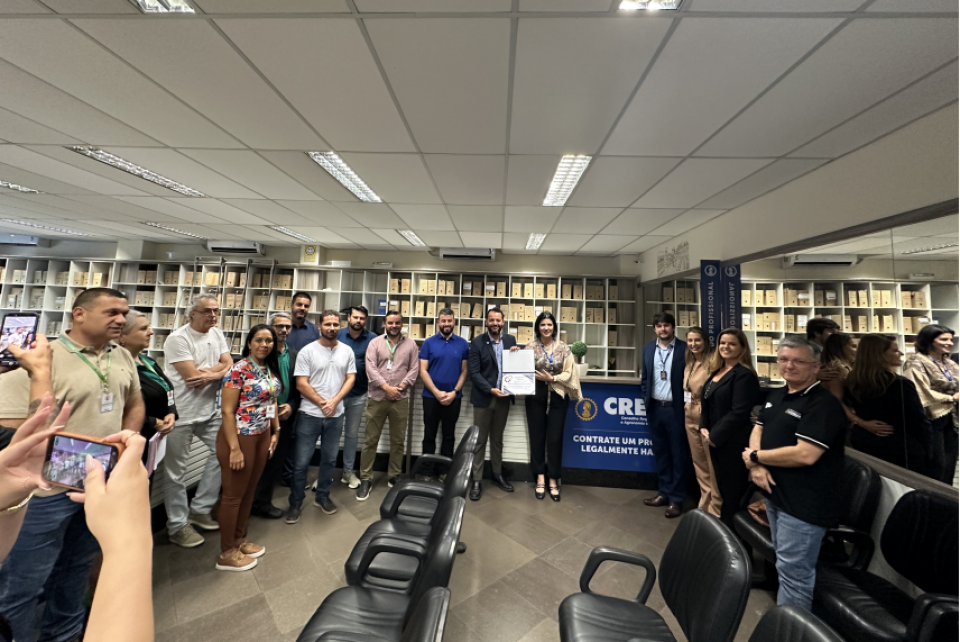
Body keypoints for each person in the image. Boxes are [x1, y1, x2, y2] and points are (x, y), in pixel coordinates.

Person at [0, 288, 145, 642]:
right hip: (44, 492)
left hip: (95, 487)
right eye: (112, 312)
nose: (121, 319)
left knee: (74, 573)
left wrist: (126, 439)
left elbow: (135, 402)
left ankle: (63, 637)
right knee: (22, 584)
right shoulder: (43, 358)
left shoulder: (120, 355)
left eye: (124, 313)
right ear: (79, 314)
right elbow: (15, 426)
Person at [744, 336, 847, 611]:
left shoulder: (823, 404)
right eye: (783, 359)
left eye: (798, 361)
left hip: (804, 503)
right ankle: (787, 620)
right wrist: (757, 465)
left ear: (816, 366)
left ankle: (791, 628)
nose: (789, 366)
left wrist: (755, 457)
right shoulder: (777, 395)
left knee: (794, 575)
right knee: (784, 563)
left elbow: (805, 454)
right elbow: (759, 428)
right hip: (776, 495)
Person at [162, 294, 234, 548]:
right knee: (176, 473)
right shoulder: (178, 339)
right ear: (192, 313)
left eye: (216, 311)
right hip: (181, 414)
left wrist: (212, 374)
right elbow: (193, 378)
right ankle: (177, 526)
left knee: (224, 453)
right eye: (207, 311)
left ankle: (200, 509)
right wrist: (219, 370)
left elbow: (230, 364)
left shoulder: (216, 333)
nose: (213, 315)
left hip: (208, 411)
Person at [216, 325, 281, 571]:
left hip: (261, 434)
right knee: (233, 495)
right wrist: (234, 449)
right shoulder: (238, 369)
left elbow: (271, 400)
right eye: (259, 340)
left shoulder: (267, 369)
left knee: (249, 490)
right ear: (249, 343)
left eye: (269, 341)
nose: (264, 345)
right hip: (239, 436)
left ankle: (239, 540)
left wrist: (275, 430)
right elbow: (227, 411)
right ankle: (226, 552)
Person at [288, 310, 356, 522]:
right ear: (319, 326)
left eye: (335, 324)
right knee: (301, 462)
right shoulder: (307, 351)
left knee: (329, 459)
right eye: (328, 324)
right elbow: (301, 383)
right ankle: (295, 502)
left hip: (336, 415)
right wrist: (322, 403)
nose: (332, 328)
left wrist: (334, 402)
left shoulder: (347, 350)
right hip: (309, 414)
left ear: (340, 326)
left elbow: (350, 378)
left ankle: (322, 496)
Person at [845, 335, 936, 477]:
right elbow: (918, 420)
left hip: (864, 443)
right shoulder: (900, 384)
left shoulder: (852, 382)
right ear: (879, 355)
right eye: (895, 350)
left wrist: (860, 422)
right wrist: (930, 451)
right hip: (902, 449)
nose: (901, 353)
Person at [699, 328, 761, 527]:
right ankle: (726, 530)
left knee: (733, 491)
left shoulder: (744, 375)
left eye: (732, 344)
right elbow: (706, 401)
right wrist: (703, 426)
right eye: (722, 343)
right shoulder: (717, 371)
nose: (725, 347)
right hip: (715, 440)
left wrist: (714, 435)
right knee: (722, 487)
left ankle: (734, 533)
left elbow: (739, 412)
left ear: (742, 348)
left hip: (732, 442)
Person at [357, 310, 419, 501]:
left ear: (402, 324)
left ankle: (394, 475)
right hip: (377, 398)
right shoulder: (375, 343)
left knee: (398, 440)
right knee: (370, 440)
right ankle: (366, 478)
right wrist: (386, 388)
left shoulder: (411, 344)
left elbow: (414, 369)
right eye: (390, 322)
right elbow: (370, 369)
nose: (394, 326)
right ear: (385, 324)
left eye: (397, 323)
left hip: (400, 398)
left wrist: (400, 387)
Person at [523, 311, 581, 502]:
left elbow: (570, 373)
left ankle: (553, 479)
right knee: (537, 437)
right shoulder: (530, 347)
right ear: (537, 327)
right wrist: (515, 354)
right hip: (535, 397)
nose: (546, 328)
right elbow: (520, 370)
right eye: (542, 325)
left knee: (555, 439)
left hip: (558, 396)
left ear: (554, 327)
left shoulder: (564, 348)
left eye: (549, 324)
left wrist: (553, 378)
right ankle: (540, 478)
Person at [251, 313, 301, 519]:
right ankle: (251, 502)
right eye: (279, 326)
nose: (284, 330)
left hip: (284, 416)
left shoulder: (295, 355)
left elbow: (298, 388)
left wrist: (291, 406)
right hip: (261, 416)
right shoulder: (262, 355)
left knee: (275, 461)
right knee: (258, 460)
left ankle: (262, 502)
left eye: (288, 327)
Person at [640, 312, 690, 518]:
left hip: (675, 409)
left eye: (666, 325)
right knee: (661, 454)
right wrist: (646, 397)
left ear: (673, 327)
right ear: (654, 328)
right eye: (659, 326)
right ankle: (664, 493)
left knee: (678, 455)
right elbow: (645, 378)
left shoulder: (685, 349)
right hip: (655, 408)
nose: (663, 329)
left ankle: (676, 500)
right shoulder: (648, 348)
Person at [468, 307, 518, 501]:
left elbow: (515, 367)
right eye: (491, 320)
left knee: (497, 439)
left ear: (503, 322)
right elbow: (474, 373)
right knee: (480, 440)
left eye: (498, 320)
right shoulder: (477, 342)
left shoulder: (511, 340)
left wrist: (516, 355)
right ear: (486, 322)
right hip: (484, 398)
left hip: (504, 399)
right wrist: (490, 389)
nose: (495, 323)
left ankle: (497, 474)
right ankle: (477, 479)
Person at [418, 308, 470, 481]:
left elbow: (464, 371)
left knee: (449, 436)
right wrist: (436, 392)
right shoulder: (428, 343)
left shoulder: (462, 344)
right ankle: (426, 471)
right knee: (429, 435)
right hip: (430, 397)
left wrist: (454, 392)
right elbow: (422, 370)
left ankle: (444, 471)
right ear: (438, 322)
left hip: (454, 398)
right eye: (443, 320)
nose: (446, 323)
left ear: (454, 322)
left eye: (449, 320)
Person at [904, 325, 959, 484]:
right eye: (944, 339)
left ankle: (946, 496)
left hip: (953, 417)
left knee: (949, 464)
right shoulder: (916, 362)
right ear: (929, 340)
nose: (949, 343)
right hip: (932, 418)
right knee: (936, 464)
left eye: (950, 339)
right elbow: (918, 391)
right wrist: (951, 398)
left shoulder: (949, 362)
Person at [119, 311, 177, 451]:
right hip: (131, 439)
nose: (151, 332)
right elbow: (119, 410)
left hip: (153, 438)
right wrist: (152, 422)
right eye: (143, 328)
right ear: (122, 337)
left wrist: (171, 412)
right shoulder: (119, 368)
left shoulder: (149, 361)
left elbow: (166, 388)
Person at [682, 327, 720, 518]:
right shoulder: (689, 361)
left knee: (710, 461)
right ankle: (704, 502)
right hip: (689, 413)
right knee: (699, 462)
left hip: (705, 415)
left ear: (705, 341)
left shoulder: (713, 362)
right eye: (690, 340)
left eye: (697, 340)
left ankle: (715, 505)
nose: (693, 344)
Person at [337, 306, 373, 489]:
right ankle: (325, 473)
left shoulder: (372, 338)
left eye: (362, 318)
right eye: (356, 317)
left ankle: (348, 472)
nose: (358, 321)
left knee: (351, 435)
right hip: (335, 395)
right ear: (349, 317)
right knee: (331, 434)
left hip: (358, 394)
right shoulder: (337, 334)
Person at [819, 333, 857, 401]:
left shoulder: (830, 365)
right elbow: (837, 400)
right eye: (853, 346)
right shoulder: (839, 369)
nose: (856, 350)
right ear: (841, 347)